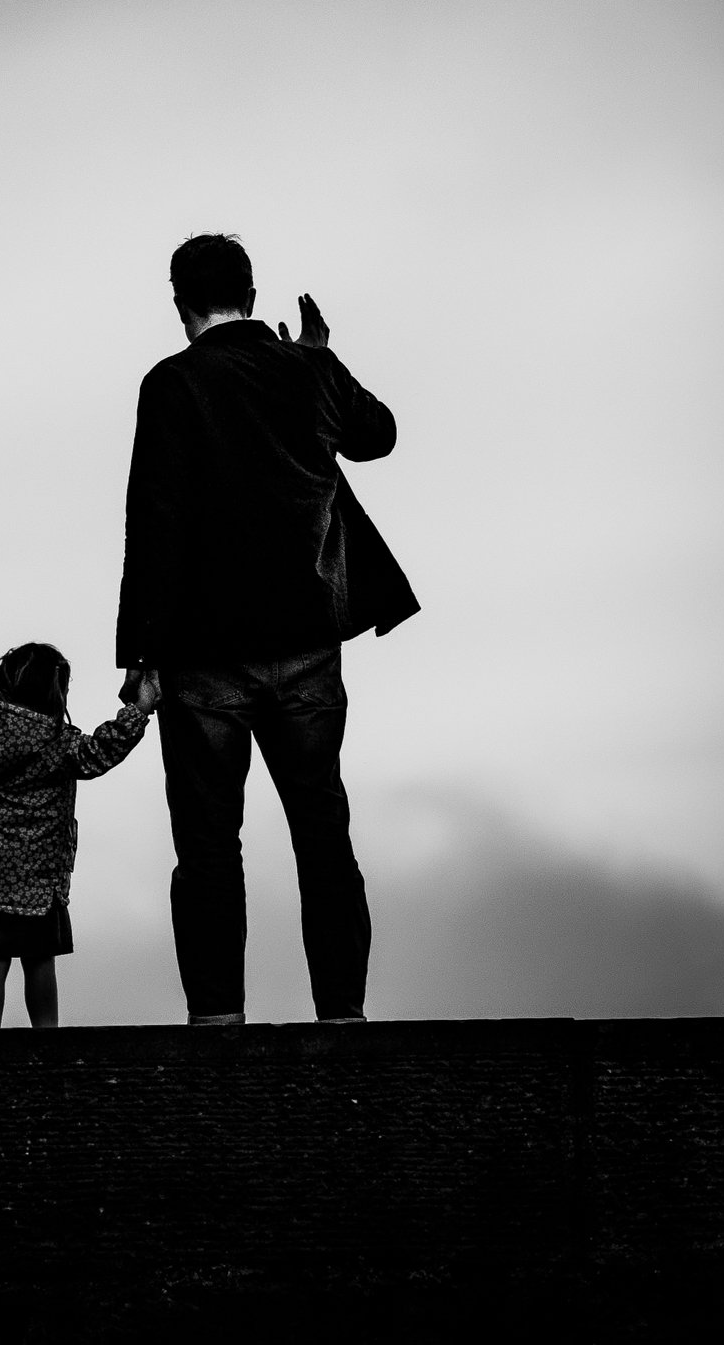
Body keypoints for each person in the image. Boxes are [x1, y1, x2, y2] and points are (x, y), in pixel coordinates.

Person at [116, 232, 419, 1026]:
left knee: (210, 848)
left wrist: (142, 654)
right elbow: (377, 435)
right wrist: (322, 359)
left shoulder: (171, 386)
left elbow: (154, 523)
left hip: (204, 659)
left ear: (179, 301)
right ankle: (342, 1017)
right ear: (252, 297)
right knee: (322, 831)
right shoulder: (304, 372)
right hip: (307, 649)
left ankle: (218, 1022)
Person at [0, 640, 158, 1027]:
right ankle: (48, 1036)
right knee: (39, 959)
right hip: (37, 878)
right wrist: (140, 709)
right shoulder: (57, 743)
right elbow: (101, 750)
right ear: (53, 692)